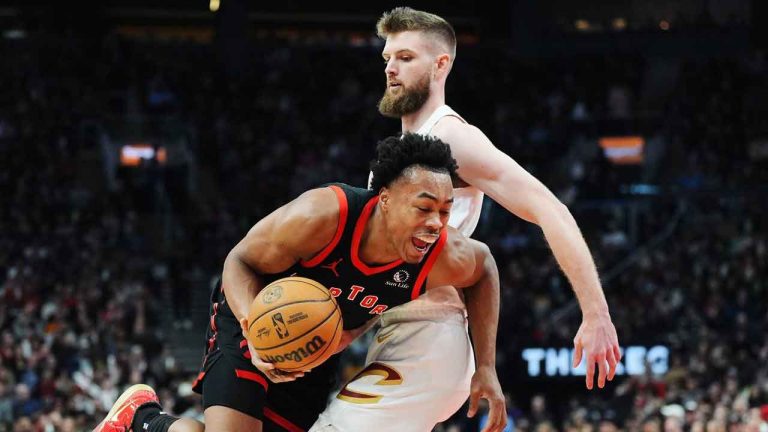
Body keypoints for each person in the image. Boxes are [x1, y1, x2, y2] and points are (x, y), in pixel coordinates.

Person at [311, 7, 621, 432]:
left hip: (431, 338)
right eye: (387, 58)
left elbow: (551, 208)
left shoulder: (451, 136)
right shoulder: (402, 147)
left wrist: (596, 312)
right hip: (397, 332)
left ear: (441, 64)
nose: (390, 68)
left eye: (405, 57)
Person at [92, 133, 502, 432]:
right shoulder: (322, 216)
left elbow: (484, 269)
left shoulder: (440, 255)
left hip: (312, 346)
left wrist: (485, 366)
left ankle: (141, 416)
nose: (436, 223)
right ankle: (146, 420)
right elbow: (240, 260)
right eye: (424, 208)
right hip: (252, 317)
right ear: (386, 200)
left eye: (446, 211)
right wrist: (255, 326)